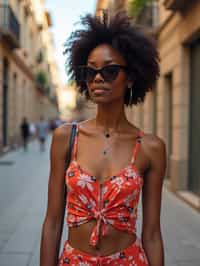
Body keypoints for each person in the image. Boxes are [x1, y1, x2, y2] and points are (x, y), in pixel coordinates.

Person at [40, 11, 166, 266]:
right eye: (90, 71)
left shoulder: (151, 148)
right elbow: (52, 223)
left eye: (109, 71)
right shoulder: (66, 138)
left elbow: (152, 234)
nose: (98, 78)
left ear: (130, 77)